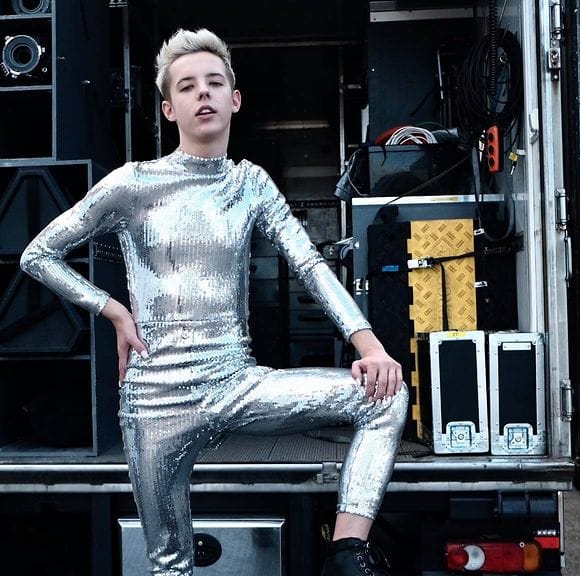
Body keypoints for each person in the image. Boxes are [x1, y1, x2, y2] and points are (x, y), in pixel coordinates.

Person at [21, 28, 408, 576]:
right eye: (186, 86)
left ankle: (347, 555)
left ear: (235, 99)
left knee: (385, 397)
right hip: (155, 403)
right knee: (170, 565)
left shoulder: (251, 184)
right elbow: (39, 254)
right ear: (169, 109)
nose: (202, 93)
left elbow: (308, 263)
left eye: (214, 82)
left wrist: (368, 345)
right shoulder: (133, 184)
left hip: (235, 384)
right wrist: (114, 310)